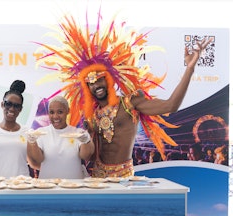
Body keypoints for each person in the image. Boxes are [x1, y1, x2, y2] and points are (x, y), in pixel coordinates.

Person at [35, 11, 211, 178]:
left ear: (109, 79)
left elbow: (170, 106)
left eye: (100, 79)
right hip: (97, 177)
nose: (96, 85)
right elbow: (89, 155)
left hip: (124, 178)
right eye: (91, 83)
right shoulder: (93, 115)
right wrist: (85, 137)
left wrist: (190, 68)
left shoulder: (130, 103)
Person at [26, 95, 94, 179]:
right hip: (47, 187)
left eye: (60, 112)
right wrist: (32, 142)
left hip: (74, 187)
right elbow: (38, 159)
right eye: (51, 112)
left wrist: (85, 141)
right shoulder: (41, 132)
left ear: (67, 111)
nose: (55, 116)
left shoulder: (77, 133)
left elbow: (85, 156)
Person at [0, 80, 30, 177]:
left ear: (20, 109)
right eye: (8, 104)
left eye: (16, 106)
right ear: (2, 104)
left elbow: (35, 160)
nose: (12, 109)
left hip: (23, 184)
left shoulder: (27, 132)